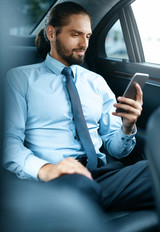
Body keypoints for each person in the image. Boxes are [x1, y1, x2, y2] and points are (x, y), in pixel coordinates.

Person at [3, 1, 154, 211]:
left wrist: (127, 126)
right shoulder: (20, 79)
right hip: (56, 180)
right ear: (52, 33)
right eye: (75, 34)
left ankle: (82, 207)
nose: (84, 43)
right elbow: (8, 144)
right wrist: (46, 169)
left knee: (154, 169)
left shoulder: (96, 82)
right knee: (79, 188)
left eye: (88, 36)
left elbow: (117, 150)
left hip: (103, 175)